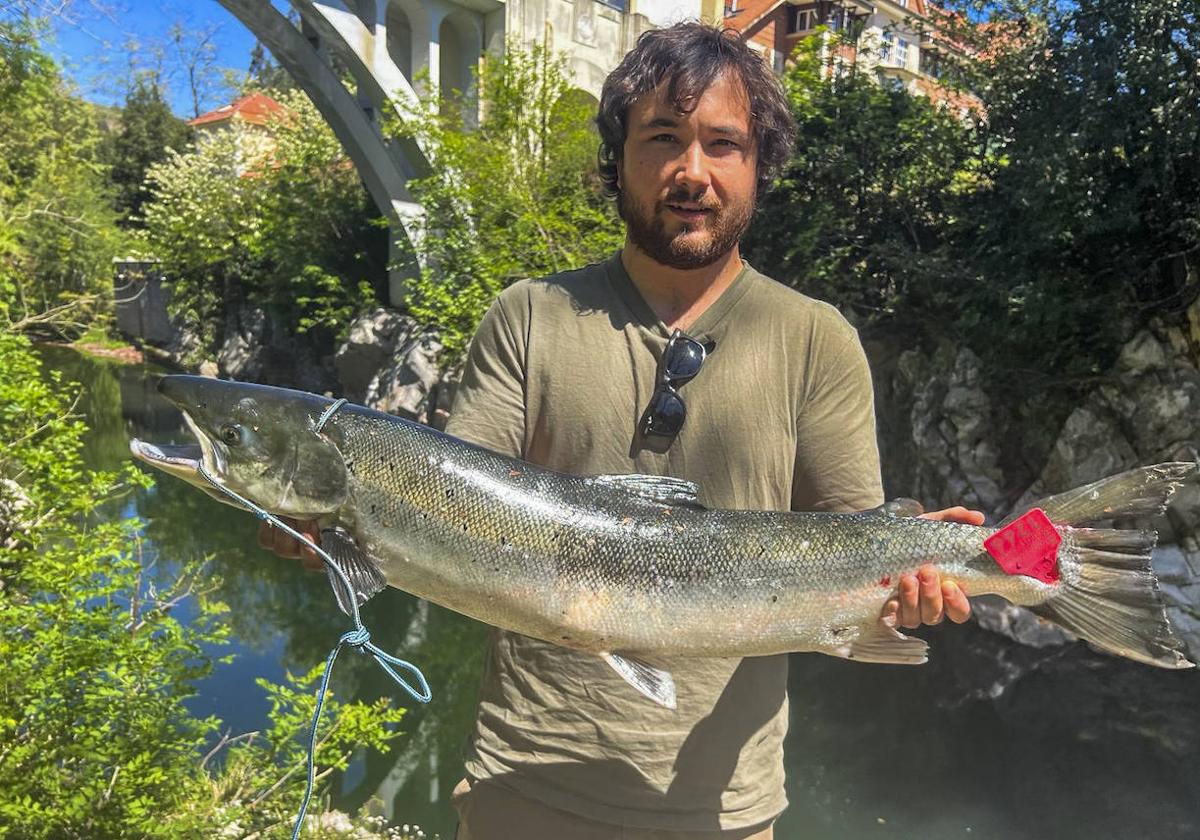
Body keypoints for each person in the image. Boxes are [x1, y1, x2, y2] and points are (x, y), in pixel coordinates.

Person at [260, 22, 982, 839]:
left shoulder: (816, 339)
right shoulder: (528, 315)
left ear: (758, 169)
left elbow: (853, 549)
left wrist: (909, 584)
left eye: (723, 144)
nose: (692, 172)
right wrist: (342, 524)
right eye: (663, 138)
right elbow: (454, 514)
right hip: (521, 791)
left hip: (726, 815)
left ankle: (1068, 560)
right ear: (617, 160)